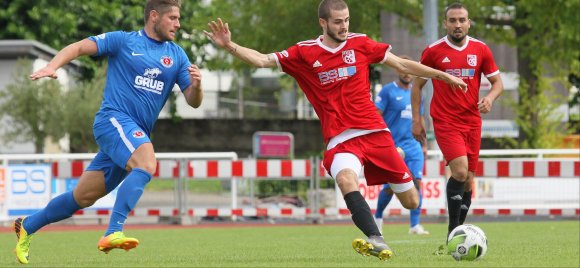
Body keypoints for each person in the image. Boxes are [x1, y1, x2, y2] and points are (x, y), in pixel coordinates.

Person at [204, 0, 466, 260]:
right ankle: (376, 238)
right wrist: (229, 45)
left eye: (347, 20)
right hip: (341, 139)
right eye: (338, 22)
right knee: (345, 179)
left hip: (375, 133)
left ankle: (389, 165)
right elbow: (262, 60)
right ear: (323, 23)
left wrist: (443, 76)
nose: (344, 27)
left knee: (411, 201)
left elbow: (402, 65)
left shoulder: (361, 43)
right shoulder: (304, 53)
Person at [13, 0, 203, 264]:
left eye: (179, 18)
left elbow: (193, 100)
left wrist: (197, 85)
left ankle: (28, 225)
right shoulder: (123, 41)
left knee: (82, 197)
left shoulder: (178, 55)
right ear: (154, 16)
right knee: (147, 163)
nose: (178, 24)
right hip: (112, 121)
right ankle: (113, 231)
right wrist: (53, 66)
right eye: (172, 17)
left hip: (131, 134)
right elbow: (79, 47)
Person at [411, 2, 504, 244]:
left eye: (462, 20)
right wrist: (417, 119)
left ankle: (458, 235)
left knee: (468, 180)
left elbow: (498, 84)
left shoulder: (481, 50)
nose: (457, 24)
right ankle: (453, 231)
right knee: (460, 171)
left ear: (469, 22)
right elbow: (417, 86)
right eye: (452, 20)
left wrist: (490, 99)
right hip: (445, 120)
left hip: (472, 121)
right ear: (445, 23)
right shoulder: (433, 51)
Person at [373, 55, 430, 235]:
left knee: (417, 182)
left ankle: (414, 225)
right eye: (403, 69)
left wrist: (425, 144)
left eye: (410, 70)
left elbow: (420, 119)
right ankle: (378, 217)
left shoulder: (417, 92)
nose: (407, 73)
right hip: (394, 147)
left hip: (413, 146)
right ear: (398, 70)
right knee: (391, 187)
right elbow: (376, 115)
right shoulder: (387, 91)